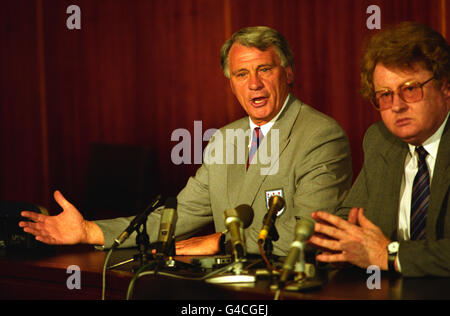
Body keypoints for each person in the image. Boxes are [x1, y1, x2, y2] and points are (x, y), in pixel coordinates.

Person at [19, 26, 352, 257]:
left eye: (265, 69)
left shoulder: (320, 136)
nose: (254, 84)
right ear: (231, 84)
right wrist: (90, 231)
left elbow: (310, 235)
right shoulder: (226, 139)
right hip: (225, 287)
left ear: (288, 72)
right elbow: (181, 215)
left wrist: (220, 242)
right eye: (241, 74)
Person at [309, 22, 450, 277]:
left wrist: (391, 254)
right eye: (385, 95)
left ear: (445, 86)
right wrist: (335, 241)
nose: (397, 106)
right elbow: (351, 218)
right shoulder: (381, 140)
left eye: (409, 89)